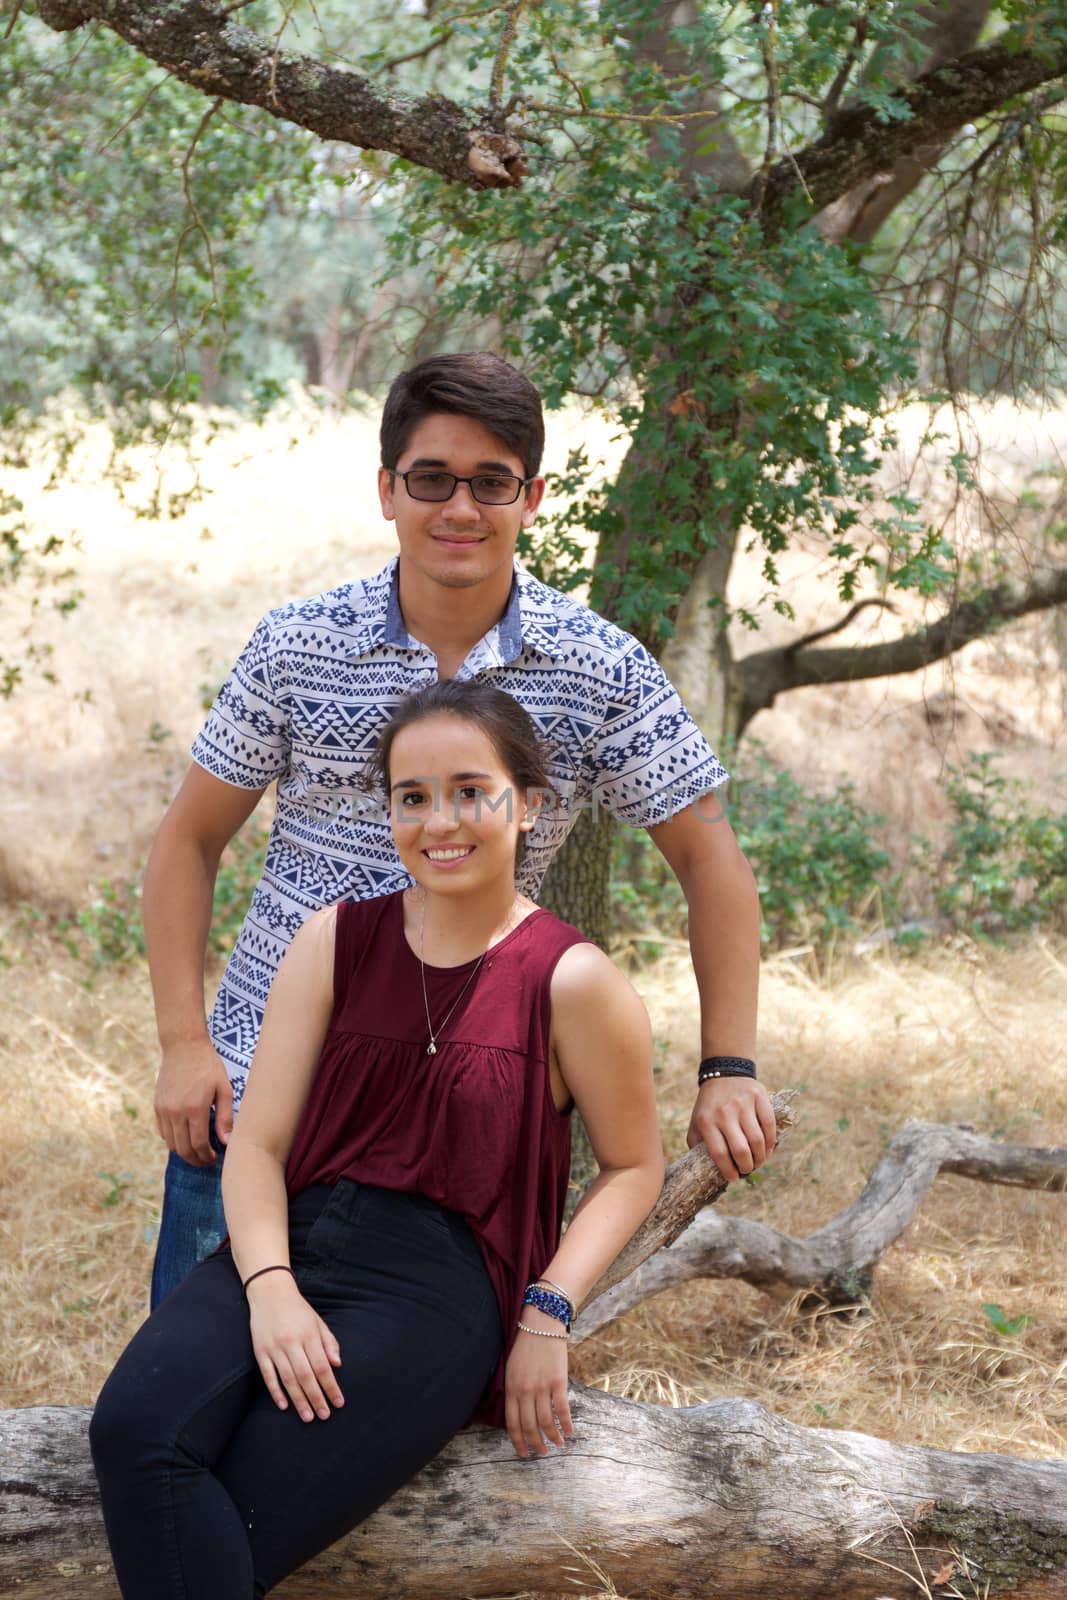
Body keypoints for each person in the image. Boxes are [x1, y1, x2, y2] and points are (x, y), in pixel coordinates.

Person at [145, 350, 773, 1307]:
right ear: (387, 490)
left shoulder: (597, 668)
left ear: (533, 496)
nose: (460, 508)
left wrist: (728, 1067)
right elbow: (188, 841)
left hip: (461, 1116)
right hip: (257, 1091)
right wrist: (185, 1045)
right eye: (431, 478)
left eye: (492, 482)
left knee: (424, 1420)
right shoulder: (296, 644)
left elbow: (711, 860)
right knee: (192, 1382)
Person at [90, 681, 666, 1599]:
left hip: (433, 1289)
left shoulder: (572, 979)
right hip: (288, 1242)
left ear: (529, 805)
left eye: (471, 790)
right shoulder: (334, 941)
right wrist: (271, 1291)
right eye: (412, 796)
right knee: (132, 1434)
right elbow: (262, 1147)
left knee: (240, 1506)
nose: (442, 820)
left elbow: (636, 1166)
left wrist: (545, 1314)